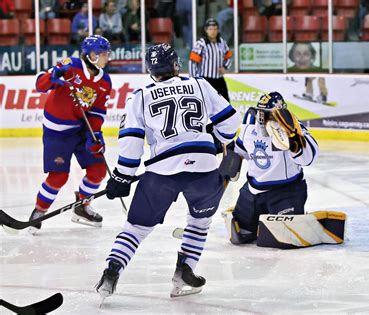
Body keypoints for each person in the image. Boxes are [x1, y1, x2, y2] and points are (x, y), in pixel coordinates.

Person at [95, 43, 240, 300]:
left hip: (162, 172)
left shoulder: (139, 95)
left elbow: (131, 139)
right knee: (199, 223)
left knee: (136, 228)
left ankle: (112, 270)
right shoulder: (200, 84)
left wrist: (123, 175)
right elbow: (230, 121)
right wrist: (218, 140)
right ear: (176, 65)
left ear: (151, 70)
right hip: (205, 170)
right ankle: (185, 271)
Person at [29, 35, 112, 234]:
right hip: (56, 132)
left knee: (98, 171)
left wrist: (96, 135)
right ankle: (39, 211)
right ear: (91, 55)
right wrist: (53, 75)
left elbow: (97, 112)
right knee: (58, 177)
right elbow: (40, 86)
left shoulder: (105, 82)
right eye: (103, 54)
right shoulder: (70, 66)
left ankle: (82, 206)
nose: (107, 58)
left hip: (82, 129)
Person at [227, 92, 319, 244]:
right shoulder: (249, 127)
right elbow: (239, 153)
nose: (263, 119)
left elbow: (309, 159)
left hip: (286, 191)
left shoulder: (294, 129)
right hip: (253, 191)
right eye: (261, 113)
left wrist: (294, 141)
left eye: (268, 115)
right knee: (241, 235)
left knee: (281, 240)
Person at [189, 18, 232, 102]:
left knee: (225, 102)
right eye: (210, 29)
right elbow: (193, 62)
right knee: (206, 102)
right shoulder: (201, 44)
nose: (213, 31)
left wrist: (225, 66)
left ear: (218, 30)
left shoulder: (222, 42)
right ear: (206, 30)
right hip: (205, 79)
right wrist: (193, 79)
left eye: (215, 29)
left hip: (219, 79)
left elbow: (228, 57)